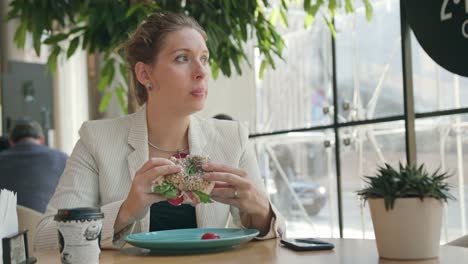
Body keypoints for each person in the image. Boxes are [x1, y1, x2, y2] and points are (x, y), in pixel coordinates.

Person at [36, 12, 285, 249]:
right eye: (182, 58)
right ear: (145, 74)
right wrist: (125, 212)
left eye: (204, 58)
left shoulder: (232, 137)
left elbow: (278, 235)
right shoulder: (97, 140)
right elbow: (45, 238)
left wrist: (262, 211)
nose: (201, 72)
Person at [0, 120, 68, 213]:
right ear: (41, 139)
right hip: (47, 223)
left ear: (11, 142)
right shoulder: (62, 159)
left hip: (6, 224)